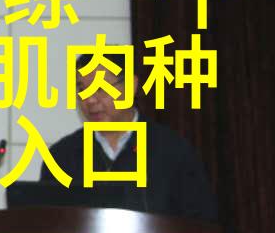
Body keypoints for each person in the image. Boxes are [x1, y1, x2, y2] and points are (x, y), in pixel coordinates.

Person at [38, 53, 219, 221]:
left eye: (100, 88)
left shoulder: (172, 151)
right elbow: (47, 225)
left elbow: (202, 225)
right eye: (81, 89)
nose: (90, 100)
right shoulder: (61, 157)